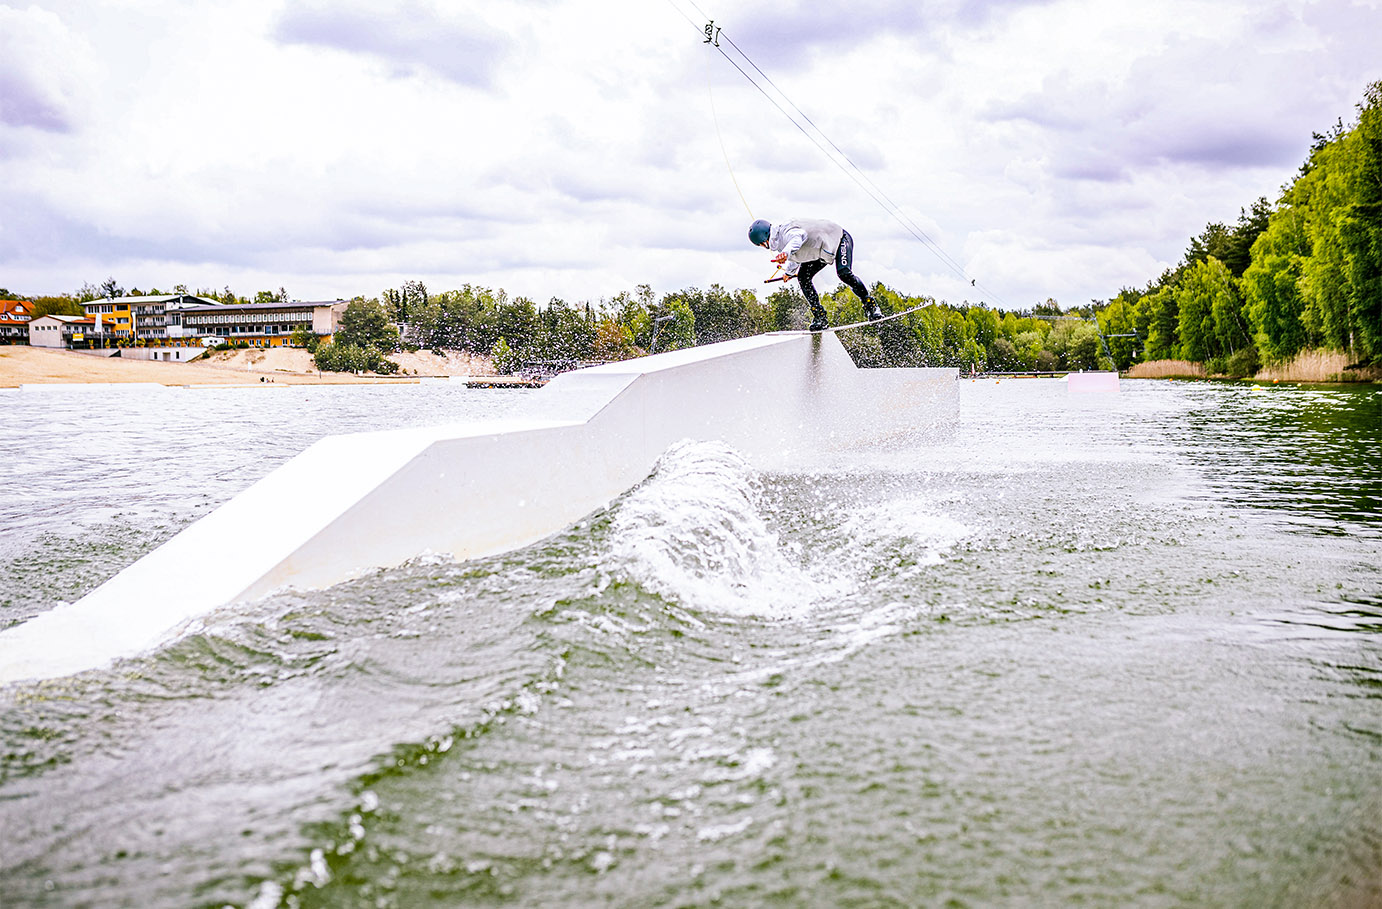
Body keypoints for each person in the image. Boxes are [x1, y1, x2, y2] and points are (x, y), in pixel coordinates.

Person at [749, 218, 883, 331]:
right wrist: (789, 273)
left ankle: (871, 306)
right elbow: (796, 257)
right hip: (821, 251)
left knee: (844, 273)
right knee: (803, 278)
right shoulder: (780, 243)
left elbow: (799, 237)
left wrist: (786, 253)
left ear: (762, 241)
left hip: (839, 239)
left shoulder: (786, 231)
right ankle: (820, 317)